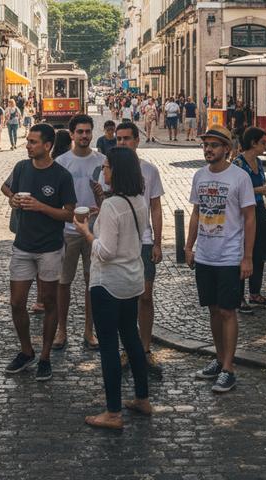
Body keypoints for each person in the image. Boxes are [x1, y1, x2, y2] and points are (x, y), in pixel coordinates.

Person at [75, 147, 152, 430]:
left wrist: (86, 231)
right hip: (132, 280)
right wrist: (101, 216)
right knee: (131, 339)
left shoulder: (112, 205)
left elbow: (105, 251)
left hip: (108, 283)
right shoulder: (137, 199)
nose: (103, 170)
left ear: (116, 171)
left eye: (106, 166)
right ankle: (142, 399)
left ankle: (113, 413)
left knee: (108, 344)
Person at [185, 125, 256, 393]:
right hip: (205, 256)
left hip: (230, 257)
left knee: (228, 311)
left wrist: (247, 257)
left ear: (227, 148)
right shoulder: (199, 176)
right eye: (206, 145)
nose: (208, 149)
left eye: (214, 145)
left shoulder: (239, 178)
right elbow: (196, 212)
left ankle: (229, 369)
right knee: (213, 310)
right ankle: (218, 359)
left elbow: (250, 218)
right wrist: (188, 246)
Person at [6, 124, 77, 381]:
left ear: (47, 146)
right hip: (22, 245)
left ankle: (45, 356)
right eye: (28, 141)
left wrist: (41, 206)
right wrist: (13, 199)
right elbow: (8, 189)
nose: (28, 145)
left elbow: (69, 213)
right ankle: (27, 351)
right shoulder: (21, 168)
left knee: (49, 302)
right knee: (16, 303)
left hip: (50, 247)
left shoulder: (61, 175)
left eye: (33, 142)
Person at [112, 122, 165, 375]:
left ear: (137, 141)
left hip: (143, 241)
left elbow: (155, 206)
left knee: (145, 296)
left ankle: (144, 349)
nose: (121, 143)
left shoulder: (150, 171)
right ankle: (126, 349)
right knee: (124, 299)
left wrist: (157, 242)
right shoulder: (110, 170)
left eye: (126, 139)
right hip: (120, 241)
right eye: (118, 139)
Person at [53, 114, 104, 351]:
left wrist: (100, 197)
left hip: (96, 231)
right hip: (68, 231)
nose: (84, 135)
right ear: (71, 134)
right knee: (64, 282)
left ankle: (88, 330)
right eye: (80, 132)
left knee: (91, 283)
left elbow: (112, 199)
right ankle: (61, 330)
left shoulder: (103, 161)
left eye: (88, 131)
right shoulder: (61, 162)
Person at [232, 127, 266, 314]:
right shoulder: (238, 164)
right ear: (253, 143)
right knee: (244, 253)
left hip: (258, 209)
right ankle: (239, 297)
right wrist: (259, 190)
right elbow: (234, 192)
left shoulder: (258, 162)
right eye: (263, 143)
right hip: (243, 212)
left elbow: (259, 186)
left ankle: (255, 293)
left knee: (258, 252)